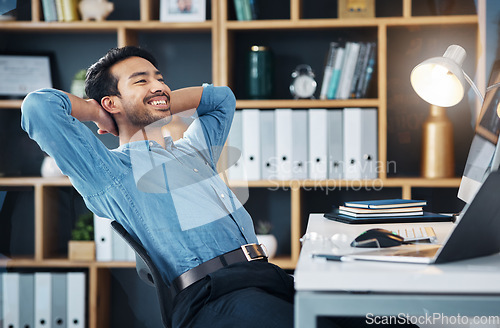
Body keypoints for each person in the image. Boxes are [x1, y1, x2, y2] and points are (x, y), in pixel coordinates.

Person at [21, 46, 294, 328]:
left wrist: (157, 102)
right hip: (214, 297)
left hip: (266, 276)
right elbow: (38, 108)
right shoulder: (111, 173)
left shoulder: (195, 151)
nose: (159, 85)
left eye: (160, 79)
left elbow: (221, 98)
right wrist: (94, 110)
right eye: (141, 81)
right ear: (111, 103)